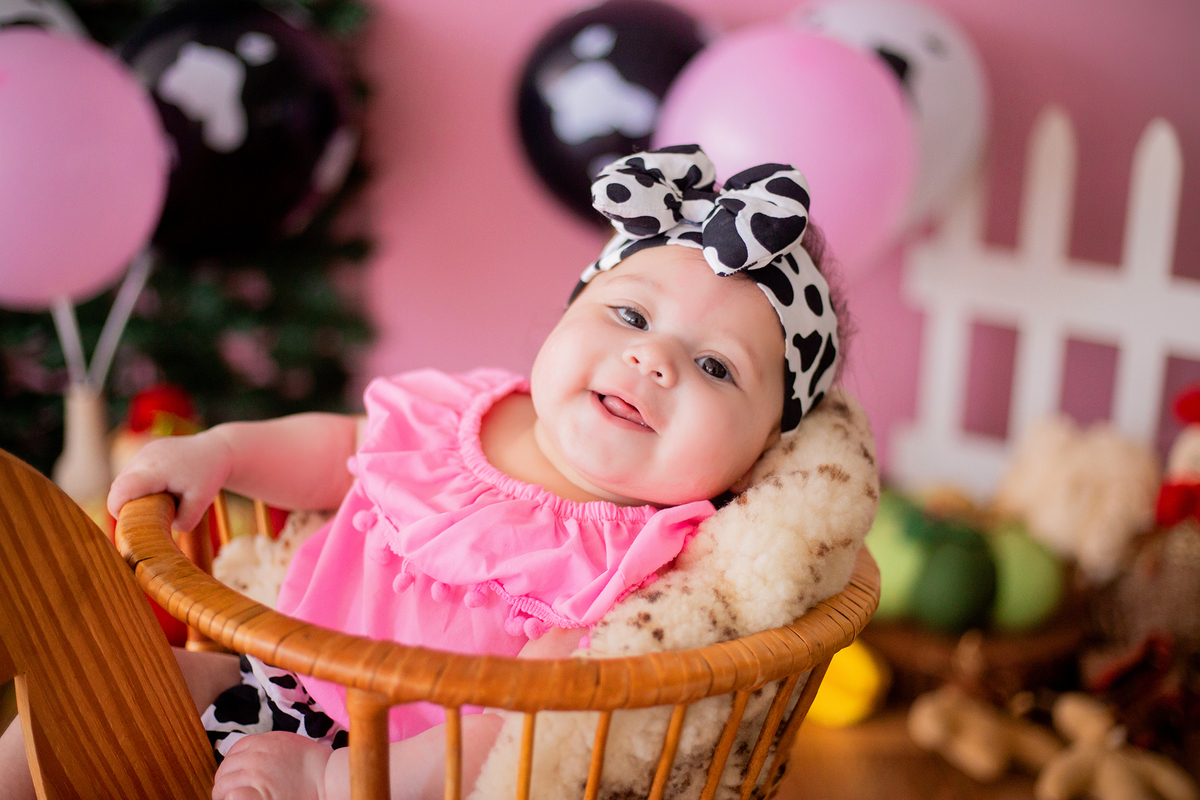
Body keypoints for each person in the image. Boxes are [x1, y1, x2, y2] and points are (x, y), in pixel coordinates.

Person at [0, 145, 846, 800]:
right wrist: (223, 451)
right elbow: (340, 452)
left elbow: (526, 724)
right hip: (276, 674)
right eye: (628, 313)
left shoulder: (664, 559)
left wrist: (338, 782)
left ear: (759, 455)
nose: (653, 358)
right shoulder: (466, 410)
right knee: (88, 695)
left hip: (406, 767)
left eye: (716, 368)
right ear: (567, 316)